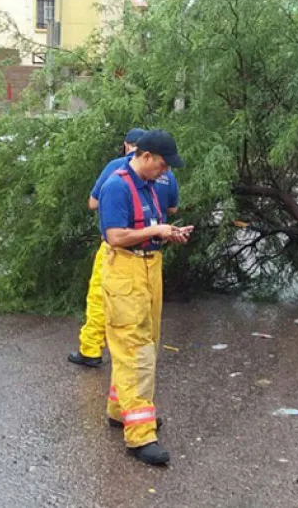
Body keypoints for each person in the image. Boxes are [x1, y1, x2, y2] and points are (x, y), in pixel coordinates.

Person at [98, 129, 192, 465]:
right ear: (146, 156)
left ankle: (121, 410)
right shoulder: (116, 187)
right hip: (126, 271)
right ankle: (139, 436)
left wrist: (169, 234)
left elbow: (150, 227)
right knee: (135, 348)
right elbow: (116, 236)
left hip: (150, 267)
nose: (165, 172)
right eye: (163, 165)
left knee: (146, 341)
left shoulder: (151, 188)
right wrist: (156, 230)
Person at [68, 128, 179, 368]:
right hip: (150, 258)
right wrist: (157, 228)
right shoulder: (166, 178)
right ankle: (134, 379)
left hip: (121, 254)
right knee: (144, 322)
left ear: (131, 147)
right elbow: (172, 210)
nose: (164, 171)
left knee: (100, 299)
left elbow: (93, 203)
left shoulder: (118, 171)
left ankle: (90, 350)